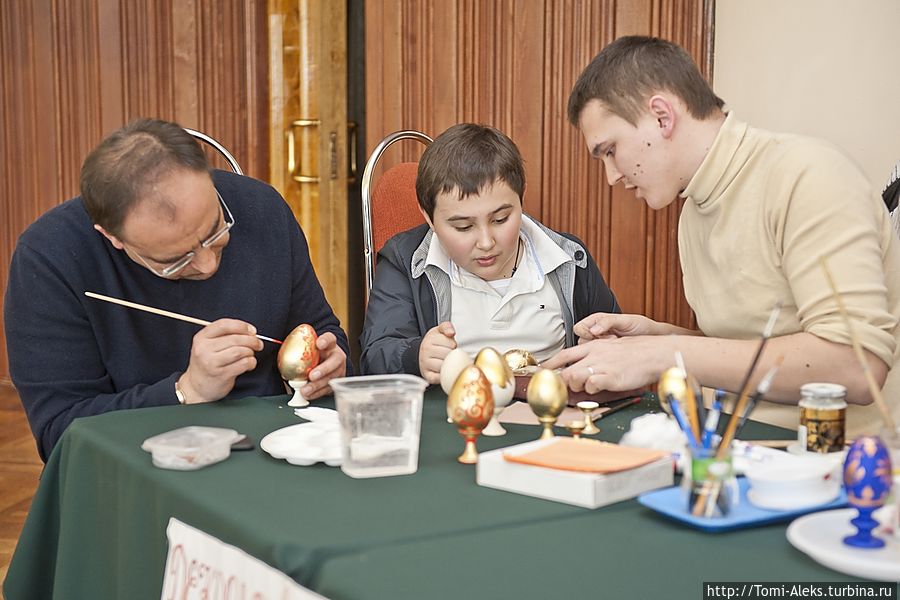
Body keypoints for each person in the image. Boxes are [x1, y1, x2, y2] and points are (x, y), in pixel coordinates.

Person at [545, 35, 900, 436]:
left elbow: (855, 366)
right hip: (738, 452)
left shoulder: (807, 175)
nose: (611, 176)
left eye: (610, 151)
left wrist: (663, 353)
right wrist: (656, 336)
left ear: (662, 116)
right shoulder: (693, 213)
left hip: (844, 465)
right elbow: (754, 345)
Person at [4, 118, 350, 460]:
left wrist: (328, 366)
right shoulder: (51, 258)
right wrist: (187, 390)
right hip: (142, 469)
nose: (207, 265)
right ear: (113, 238)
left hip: (278, 447)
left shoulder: (261, 208)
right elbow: (60, 433)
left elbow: (320, 326)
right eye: (176, 259)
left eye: (215, 232)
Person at [360, 123, 619, 382]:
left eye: (500, 219)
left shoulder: (568, 259)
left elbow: (615, 343)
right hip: (453, 414)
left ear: (521, 198)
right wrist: (415, 356)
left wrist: (602, 347)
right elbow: (375, 355)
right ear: (428, 217)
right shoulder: (405, 261)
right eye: (463, 226)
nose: (486, 242)